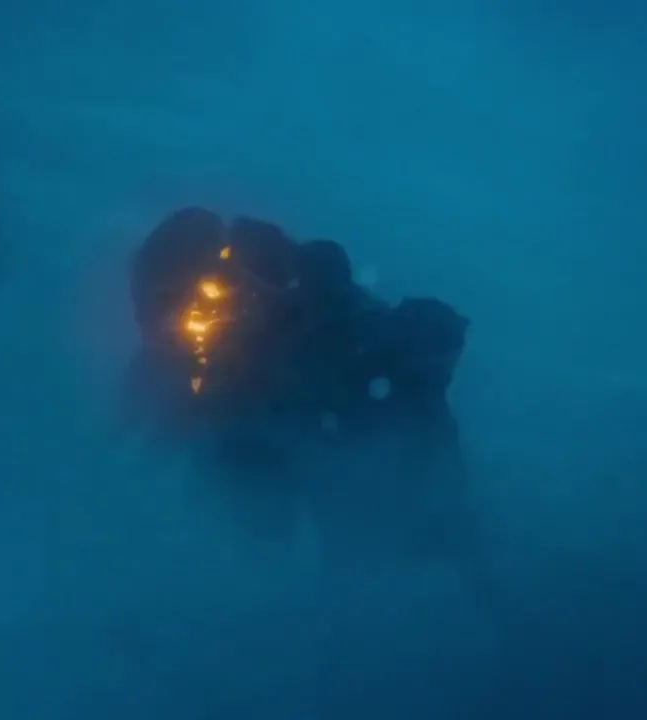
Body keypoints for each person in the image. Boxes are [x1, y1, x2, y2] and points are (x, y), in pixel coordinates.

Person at [124, 206, 473, 557]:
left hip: (358, 452)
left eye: (164, 306)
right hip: (325, 448)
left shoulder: (304, 317)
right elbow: (145, 424)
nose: (159, 326)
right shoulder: (216, 339)